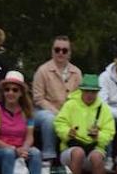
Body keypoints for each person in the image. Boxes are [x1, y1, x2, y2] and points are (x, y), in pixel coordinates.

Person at [54, 73, 113, 174]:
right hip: (70, 150)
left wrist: (98, 135)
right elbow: (59, 124)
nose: (89, 94)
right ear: (81, 90)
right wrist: (68, 132)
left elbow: (109, 133)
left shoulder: (104, 109)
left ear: (97, 92)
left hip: (93, 149)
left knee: (98, 156)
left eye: (93, 91)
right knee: (78, 152)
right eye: (87, 90)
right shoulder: (70, 105)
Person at [32, 36, 82, 166]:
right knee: (50, 119)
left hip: (69, 112)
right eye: (57, 49)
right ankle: (48, 156)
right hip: (43, 111)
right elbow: (38, 98)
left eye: (64, 50)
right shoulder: (42, 70)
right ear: (52, 51)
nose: (60, 53)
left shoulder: (76, 72)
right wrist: (56, 112)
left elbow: (79, 97)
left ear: (69, 53)